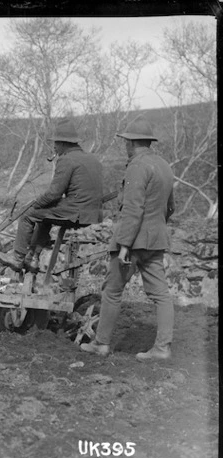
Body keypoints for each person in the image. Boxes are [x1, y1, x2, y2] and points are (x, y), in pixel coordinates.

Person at [80, 117, 175, 360]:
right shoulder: (164, 165)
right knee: (161, 294)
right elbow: (171, 207)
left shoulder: (136, 166)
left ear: (131, 143)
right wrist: (156, 227)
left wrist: (124, 245)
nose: (125, 146)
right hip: (156, 240)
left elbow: (133, 209)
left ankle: (101, 344)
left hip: (132, 243)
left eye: (126, 142)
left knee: (112, 292)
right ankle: (162, 348)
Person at [0, 118, 104, 272]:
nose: (54, 147)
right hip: (93, 213)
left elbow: (54, 194)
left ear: (63, 143)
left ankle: (17, 258)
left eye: (56, 143)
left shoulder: (66, 160)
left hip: (76, 212)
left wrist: (34, 204)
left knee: (28, 214)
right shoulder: (92, 159)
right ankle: (32, 258)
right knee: (44, 216)